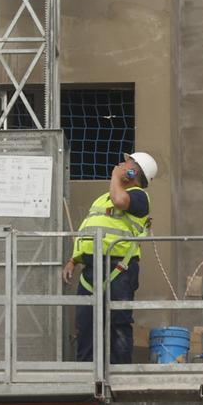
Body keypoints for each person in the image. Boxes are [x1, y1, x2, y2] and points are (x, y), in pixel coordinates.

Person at [63, 151, 158, 364]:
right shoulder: (104, 198)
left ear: (135, 171)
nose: (121, 165)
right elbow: (90, 229)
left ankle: (120, 372)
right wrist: (73, 260)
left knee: (119, 323)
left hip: (119, 268)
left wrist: (115, 177)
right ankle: (86, 371)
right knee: (86, 323)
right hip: (91, 268)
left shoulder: (139, 196)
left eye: (127, 163)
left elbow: (120, 200)